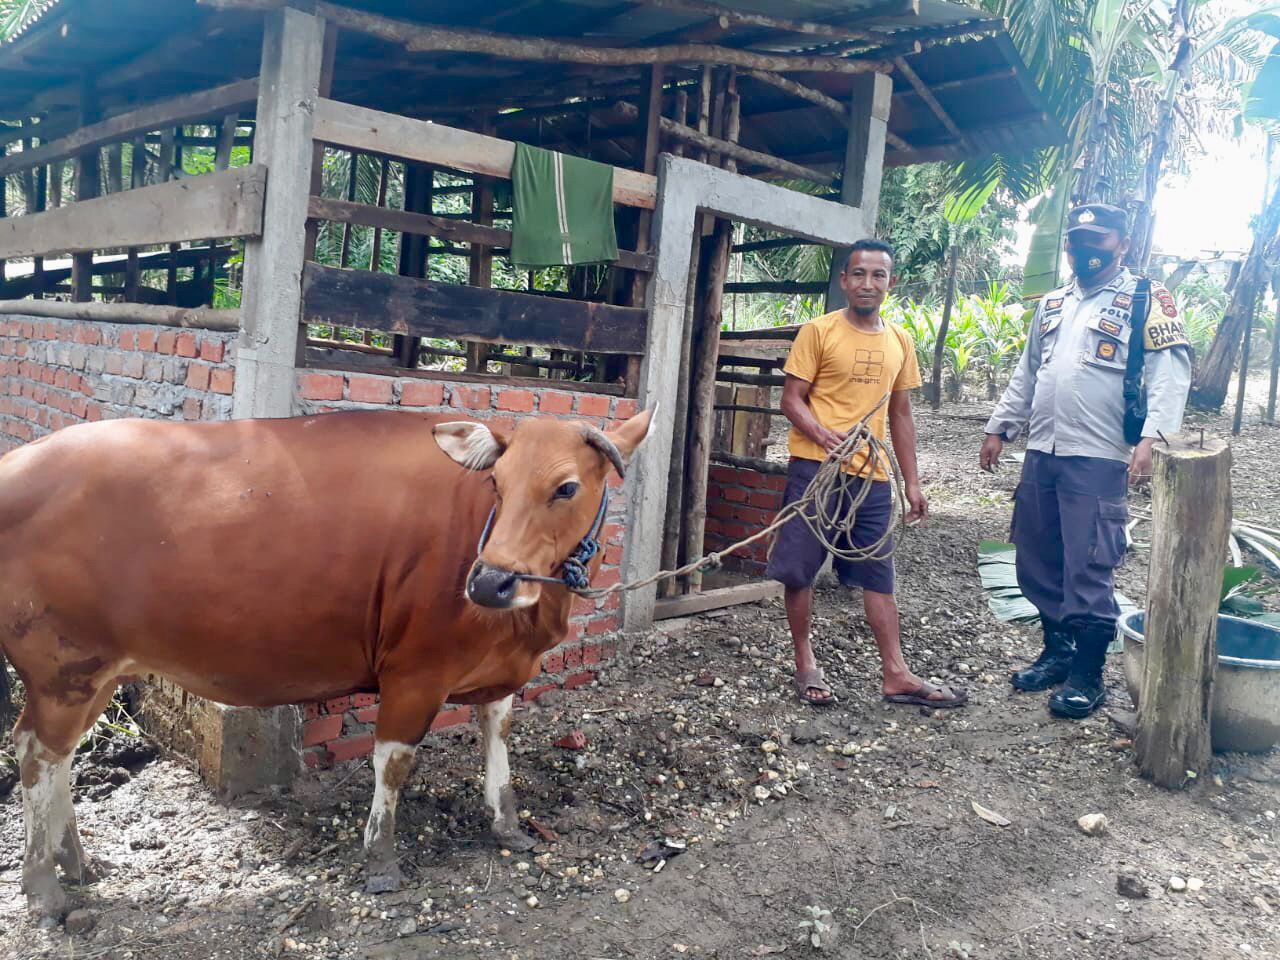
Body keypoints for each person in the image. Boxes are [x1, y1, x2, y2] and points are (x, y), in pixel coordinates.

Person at [980, 202, 1192, 719]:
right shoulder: (1052, 303)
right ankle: (1057, 653)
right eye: (1078, 239)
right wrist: (999, 426)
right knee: (1037, 556)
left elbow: (1170, 372)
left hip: (1097, 456)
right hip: (1043, 451)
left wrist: (1153, 437)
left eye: (1100, 239)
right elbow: (1028, 373)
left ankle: (1088, 673)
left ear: (1123, 243)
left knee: (1090, 562)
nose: (1086, 248)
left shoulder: (1147, 299)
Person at [767, 238, 967, 709]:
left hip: (873, 477)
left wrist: (912, 483)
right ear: (844, 280)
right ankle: (805, 661)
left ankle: (895, 673)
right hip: (816, 470)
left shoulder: (900, 341)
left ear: (890, 283)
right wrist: (822, 434)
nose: (867, 283)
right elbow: (791, 400)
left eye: (878, 275)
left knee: (879, 574)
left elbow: (901, 416)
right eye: (858, 274)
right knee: (799, 571)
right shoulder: (818, 331)